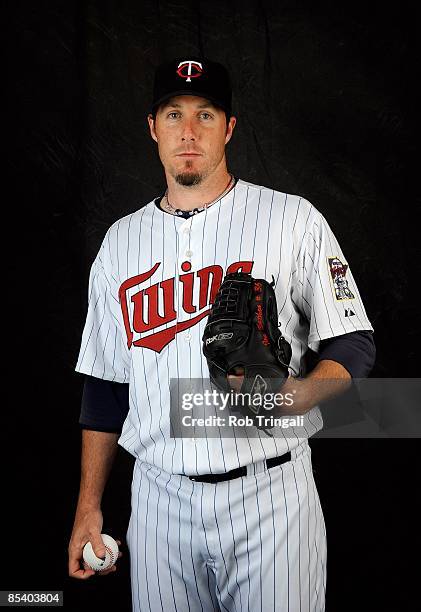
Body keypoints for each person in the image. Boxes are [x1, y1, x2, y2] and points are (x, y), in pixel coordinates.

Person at [68, 57, 375, 611]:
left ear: (229, 128)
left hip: (271, 495)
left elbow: (353, 342)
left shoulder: (292, 220)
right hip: (160, 499)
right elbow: (106, 388)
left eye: (206, 115)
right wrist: (88, 504)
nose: (189, 131)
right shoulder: (119, 243)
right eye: (174, 114)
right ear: (152, 127)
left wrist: (301, 393)